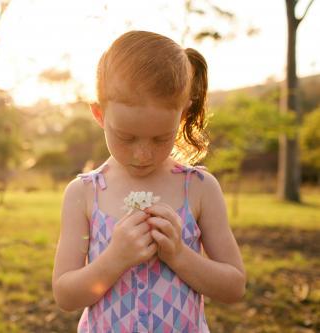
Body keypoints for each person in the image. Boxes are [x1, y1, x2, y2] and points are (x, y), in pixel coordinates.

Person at [51, 30, 246, 332]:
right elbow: (66, 294)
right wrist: (115, 259)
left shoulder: (199, 188)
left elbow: (234, 287)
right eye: (126, 137)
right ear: (99, 114)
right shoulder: (84, 193)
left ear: (181, 117)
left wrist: (180, 256)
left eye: (160, 138)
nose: (142, 154)